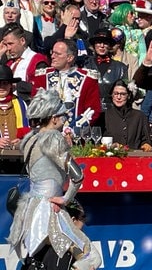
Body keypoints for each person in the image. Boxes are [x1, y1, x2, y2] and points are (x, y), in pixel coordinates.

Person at [7, 88, 102, 270]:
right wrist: (66, 199)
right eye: (62, 115)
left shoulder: (30, 140)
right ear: (53, 118)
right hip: (50, 210)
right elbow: (78, 176)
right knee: (91, 259)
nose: (65, 118)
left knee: (39, 260)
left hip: (31, 211)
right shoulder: (53, 139)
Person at [32, 39, 101, 127]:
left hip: (75, 136)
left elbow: (92, 110)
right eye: (52, 52)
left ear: (70, 58)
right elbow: (35, 107)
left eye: (57, 54)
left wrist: (72, 131)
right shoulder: (41, 76)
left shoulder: (88, 79)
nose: (52, 56)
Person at [103, 79, 152, 151]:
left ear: (128, 96)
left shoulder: (139, 116)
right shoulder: (105, 116)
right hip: (110, 158)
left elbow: (146, 140)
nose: (118, 97)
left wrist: (146, 145)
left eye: (122, 94)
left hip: (134, 159)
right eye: (116, 94)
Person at [85, 28, 128, 108]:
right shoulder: (85, 64)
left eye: (105, 43)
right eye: (99, 42)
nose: (102, 46)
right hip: (88, 111)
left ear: (110, 46)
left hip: (111, 112)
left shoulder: (121, 68)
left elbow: (123, 94)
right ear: (94, 45)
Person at [0, 64, 30, 150]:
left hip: (15, 154)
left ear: (10, 85)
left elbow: (28, 132)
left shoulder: (21, 104)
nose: (2, 87)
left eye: (5, 83)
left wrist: (21, 140)